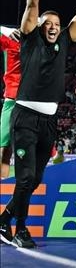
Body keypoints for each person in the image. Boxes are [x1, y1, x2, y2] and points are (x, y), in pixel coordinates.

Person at [0, 0, 76, 249]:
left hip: (49, 120)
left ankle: (4, 219)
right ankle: (20, 230)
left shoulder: (65, 41)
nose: (53, 26)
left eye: (56, 23)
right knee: (25, 178)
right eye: (48, 23)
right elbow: (32, 5)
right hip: (25, 116)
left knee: (35, 180)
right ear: (39, 27)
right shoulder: (29, 41)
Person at [0, 26, 21, 179]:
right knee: (5, 149)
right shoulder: (10, 39)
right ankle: (3, 187)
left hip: (34, 102)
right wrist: (5, 29)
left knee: (40, 151)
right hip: (12, 100)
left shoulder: (42, 41)